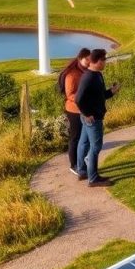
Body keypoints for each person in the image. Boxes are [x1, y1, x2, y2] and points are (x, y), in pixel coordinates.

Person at [75, 48, 119, 187]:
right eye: (105, 59)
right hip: (92, 119)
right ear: (98, 61)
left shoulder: (97, 75)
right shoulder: (88, 77)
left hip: (91, 117)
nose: (105, 62)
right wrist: (87, 114)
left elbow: (101, 96)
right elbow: (78, 99)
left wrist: (112, 91)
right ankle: (93, 178)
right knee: (96, 147)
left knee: (84, 143)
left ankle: (82, 171)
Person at [59, 48, 91, 176]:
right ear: (80, 59)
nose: (89, 61)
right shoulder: (72, 74)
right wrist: (83, 98)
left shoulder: (86, 71)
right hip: (74, 110)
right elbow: (70, 94)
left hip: (85, 109)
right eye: (86, 59)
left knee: (85, 138)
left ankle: (82, 163)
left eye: (90, 59)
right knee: (75, 137)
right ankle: (73, 165)